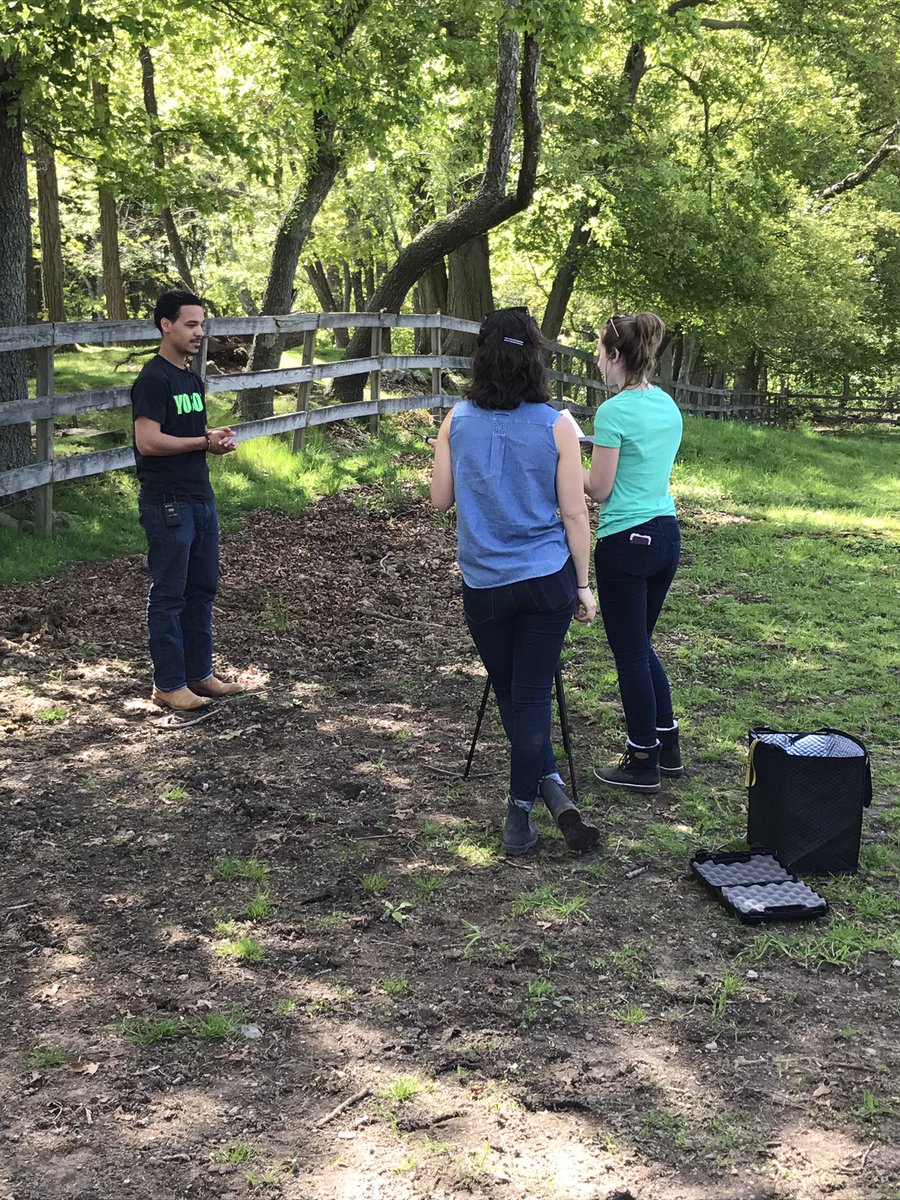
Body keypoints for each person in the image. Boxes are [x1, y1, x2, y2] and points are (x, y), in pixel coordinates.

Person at [430, 307, 598, 855]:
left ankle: (539, 794)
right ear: (536, 361)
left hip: (484, 583)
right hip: (545, 579)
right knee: (528, 696)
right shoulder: (558, 425)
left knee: (513, 693)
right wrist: (583, 583)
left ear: (481, 358)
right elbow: (575, 513)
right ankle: (527, 804)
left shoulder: (456, 420)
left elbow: (439, 501)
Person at [584, 312, 683, 790]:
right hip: (665, 533)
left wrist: (563, 465)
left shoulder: (614, 411)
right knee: (641, 645)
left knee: (629, 653)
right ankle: (668, 744)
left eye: (601, 350)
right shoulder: (667, 404)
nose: (598, 358)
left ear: (616, 355)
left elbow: (599, 489)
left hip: (626, 540)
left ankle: (643, 756)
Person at [131, 289, 244, 711]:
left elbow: (186, 436)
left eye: (202, 324)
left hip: (200, 497)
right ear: (166, 325)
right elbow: (148, 440)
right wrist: (202, 441)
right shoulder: (153, 378)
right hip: (168, 502)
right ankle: (168, 683)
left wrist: (211, 439)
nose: (200, 333)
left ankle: (200, 674)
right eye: (191, 324)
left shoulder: (191, 378)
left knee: (202, 589)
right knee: (170, 594)